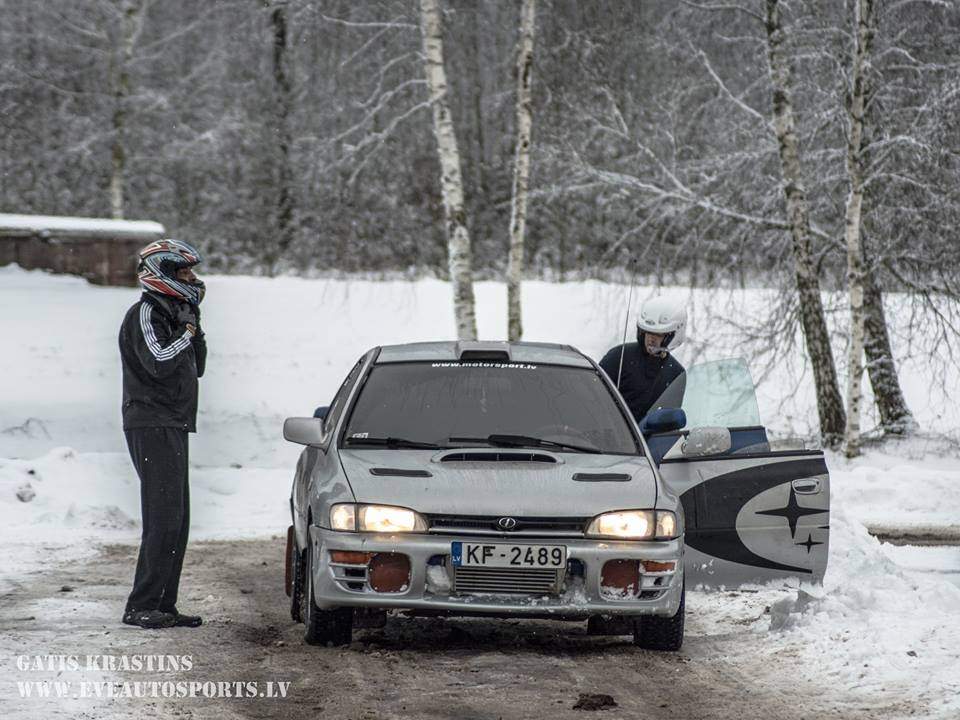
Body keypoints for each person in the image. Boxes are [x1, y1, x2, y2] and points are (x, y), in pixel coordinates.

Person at [118, 239, 207, 629]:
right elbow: (159, 361)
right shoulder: (145, 313)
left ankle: (164, 603)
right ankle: (140, 604)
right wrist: (186, 333)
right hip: (150, 422)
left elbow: (196, 366)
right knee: (162, 516)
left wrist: (194, 329)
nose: (192, 278)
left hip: (173, 421)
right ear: (164, 274)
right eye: (184, 272)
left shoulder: (173, 315)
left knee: (178, 518)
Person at [599, 296, 687, 424]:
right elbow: (593, 397)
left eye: (658, 334)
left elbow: (669, 422)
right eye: (647, 332)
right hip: (609, 436)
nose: (651, 339)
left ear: (674, 334)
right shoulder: (619, 357)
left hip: (648, 442)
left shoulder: (676, 373)